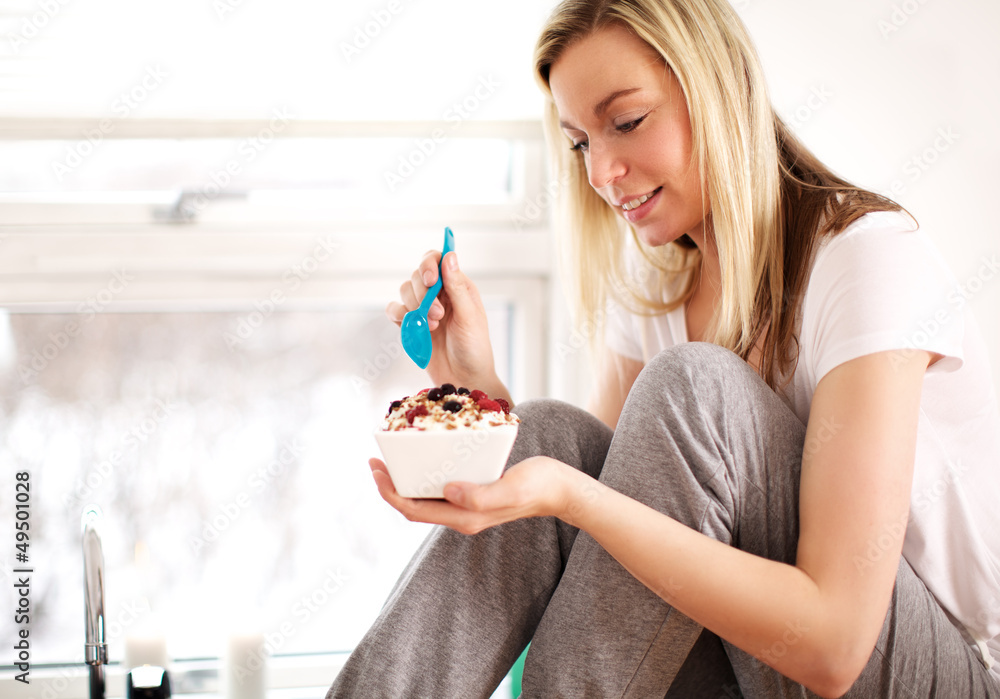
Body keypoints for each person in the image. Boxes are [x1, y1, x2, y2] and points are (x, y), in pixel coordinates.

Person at [328, 0, 1000, 696]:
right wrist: (480, 395)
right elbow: (604, 557)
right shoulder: (654, 291)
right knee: (547, 435)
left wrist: (572, 495)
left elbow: (834, 646)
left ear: (717, 93)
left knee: (691, 387)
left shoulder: (867, 259)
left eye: (626, 123)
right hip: (750, 667)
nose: (601, 172)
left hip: (935, 670)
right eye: (581, 142)